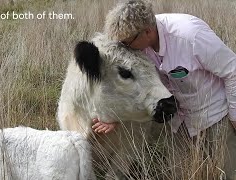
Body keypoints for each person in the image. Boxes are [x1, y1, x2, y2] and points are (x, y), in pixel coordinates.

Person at [92, 0, 236, 179]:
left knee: (228, 172)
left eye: (128, 43)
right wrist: (116, 117)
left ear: (148, 31)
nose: (126, 48)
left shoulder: (190, 36)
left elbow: (232, 71)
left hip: (215, 116)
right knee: (182, 174)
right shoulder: (138, 43)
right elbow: (136, 87)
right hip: (180, 121)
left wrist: (234, 116)